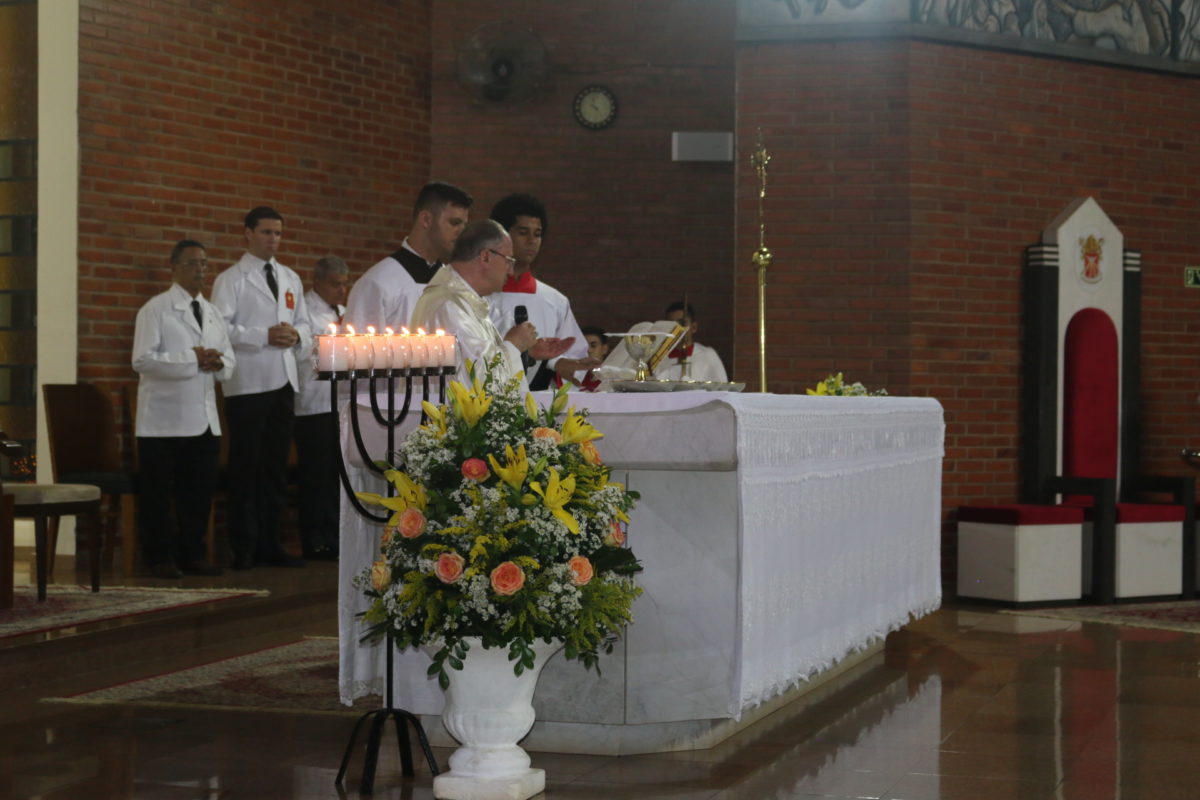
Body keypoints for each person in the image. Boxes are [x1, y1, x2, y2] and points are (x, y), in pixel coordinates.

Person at [211, 206, 311, 570]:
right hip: (249, 383)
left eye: (278, 233)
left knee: (274, 468)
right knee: (246, 467)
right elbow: (219, 327)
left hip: (283, 379)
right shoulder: (231, 280)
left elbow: (304, 322)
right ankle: (243, 546)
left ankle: (271, 543)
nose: (273, 239)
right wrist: (261, 335)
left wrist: (297, 335)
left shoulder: (289, 277)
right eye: (267, 232)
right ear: (248, 233)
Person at [132, 240, 234, 579]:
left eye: (204, 263)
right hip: (163, 420)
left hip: (203, 417)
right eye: (192, 263)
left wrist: (218, 363)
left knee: (198, 491)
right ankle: (159, 557)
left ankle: (193, 554)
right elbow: (142, 360)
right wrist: (192, 358)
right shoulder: (156, 309)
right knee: (159, 494)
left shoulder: (213, 312)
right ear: (173, 267)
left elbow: (230, 361)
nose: (200, 270)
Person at [410, 219, 572, 387]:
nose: (511, 271)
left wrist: (525, 352)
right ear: (485, 257)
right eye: (508, 261)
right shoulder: (448, 306)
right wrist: (513, 345)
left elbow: (475, 359)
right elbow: (474, 380)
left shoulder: (465, 301)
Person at [487, 193, 599, 389]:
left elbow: (573, 358)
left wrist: (562, 364)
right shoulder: (479, 295)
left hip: (539, 400)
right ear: (501, 237)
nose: (532, 240)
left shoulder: (555, 300)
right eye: (523, 232)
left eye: (537, 234)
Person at [343, 181, 472, 333]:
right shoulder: (377, 283)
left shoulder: (454, 283)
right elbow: (357, 345)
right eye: (454, 223)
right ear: (426, 219)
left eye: (464, 225)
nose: (462, 232)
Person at [293, 256, 349, 561]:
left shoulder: (342, 311)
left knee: (335, 474)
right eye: (335, 284)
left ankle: (334, 535)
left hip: (339, 403)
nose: (342, 290)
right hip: (313, 402)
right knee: (315, 475)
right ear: (317, 282)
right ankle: (314, 539)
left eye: (344, 284)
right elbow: (305, 351)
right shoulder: (304, 310)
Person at [655, 301, 728, 382]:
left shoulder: (707, 355)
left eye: (682, 323)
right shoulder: (658, 358)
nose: (677, 329)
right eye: (672, 324)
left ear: (694, 327)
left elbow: (721, 386)